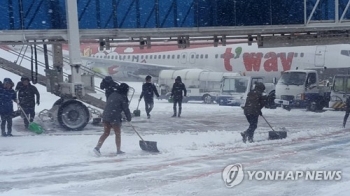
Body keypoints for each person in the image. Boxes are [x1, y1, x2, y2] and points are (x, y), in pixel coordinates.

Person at [94, 83, 132, 156]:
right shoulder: (123, 97)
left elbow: (112, 106)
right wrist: (128, 117)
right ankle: (118, 150)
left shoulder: (112, 94)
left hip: (106, 116)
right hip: (114, 117)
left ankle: (97, 148)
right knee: (117, 134)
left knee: (106, 133)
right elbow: (126, 109)